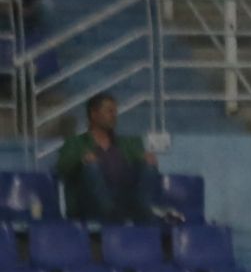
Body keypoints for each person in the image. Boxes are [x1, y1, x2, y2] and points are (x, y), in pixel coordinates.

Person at [54, 93, 173, 225]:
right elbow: (61, 170)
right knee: (91, 167)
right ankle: (113, 212)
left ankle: (143, 210)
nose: (114, 115)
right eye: (109, 111)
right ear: (93, 114)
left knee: (149, 166)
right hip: (91, 203)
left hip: (124, 199)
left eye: (115, 111)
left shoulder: (130, 143)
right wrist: (82, 161)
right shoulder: (75, 143)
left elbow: (140, 172)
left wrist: (148, 160)